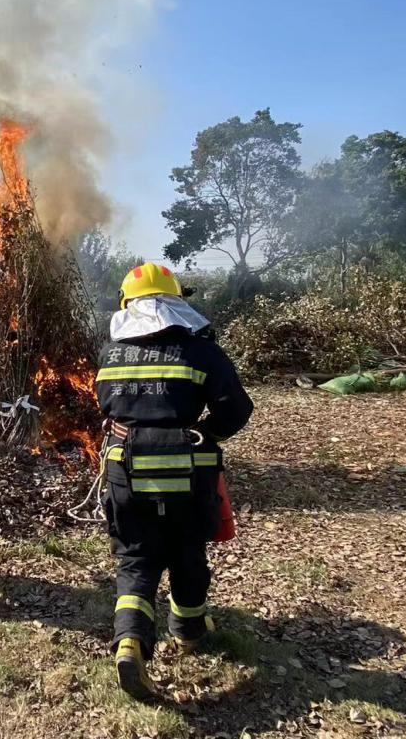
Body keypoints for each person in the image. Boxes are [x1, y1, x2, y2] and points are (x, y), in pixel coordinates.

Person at [97, 263, 254, 702]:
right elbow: (237, 410)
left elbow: (107, 404)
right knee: (187, 549)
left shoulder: (111, 353)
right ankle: (187, 630)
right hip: (187, 472)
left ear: (128, 306)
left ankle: (130, 641)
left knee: (136, 559)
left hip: (125, 470)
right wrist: (206, 430)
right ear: (175, 301)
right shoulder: (200, 352)